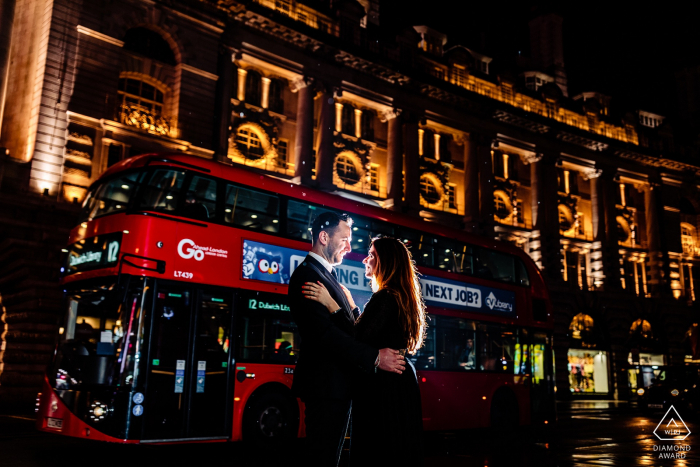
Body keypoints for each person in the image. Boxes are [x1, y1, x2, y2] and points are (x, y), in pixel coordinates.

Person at [288, 212, 405, 467]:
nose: (350, 248)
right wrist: (374, 357)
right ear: (323, 237)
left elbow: (351, 329)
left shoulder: (327, 276)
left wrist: (349, 309)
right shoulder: (308, 276)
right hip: (325, 388)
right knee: (322, 457)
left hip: (335, 387)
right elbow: (325, 335)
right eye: (345, 239)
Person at [303, 236, 426, 466]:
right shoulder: (399, 296)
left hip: (384, 388)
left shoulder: (385, 297)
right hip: (400, 384)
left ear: (384, 262)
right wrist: (353, 307)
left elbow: (355, 339)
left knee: (376, 452)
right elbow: (373, 334)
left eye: (372, 255)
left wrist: (332, 305)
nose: (365, 260)